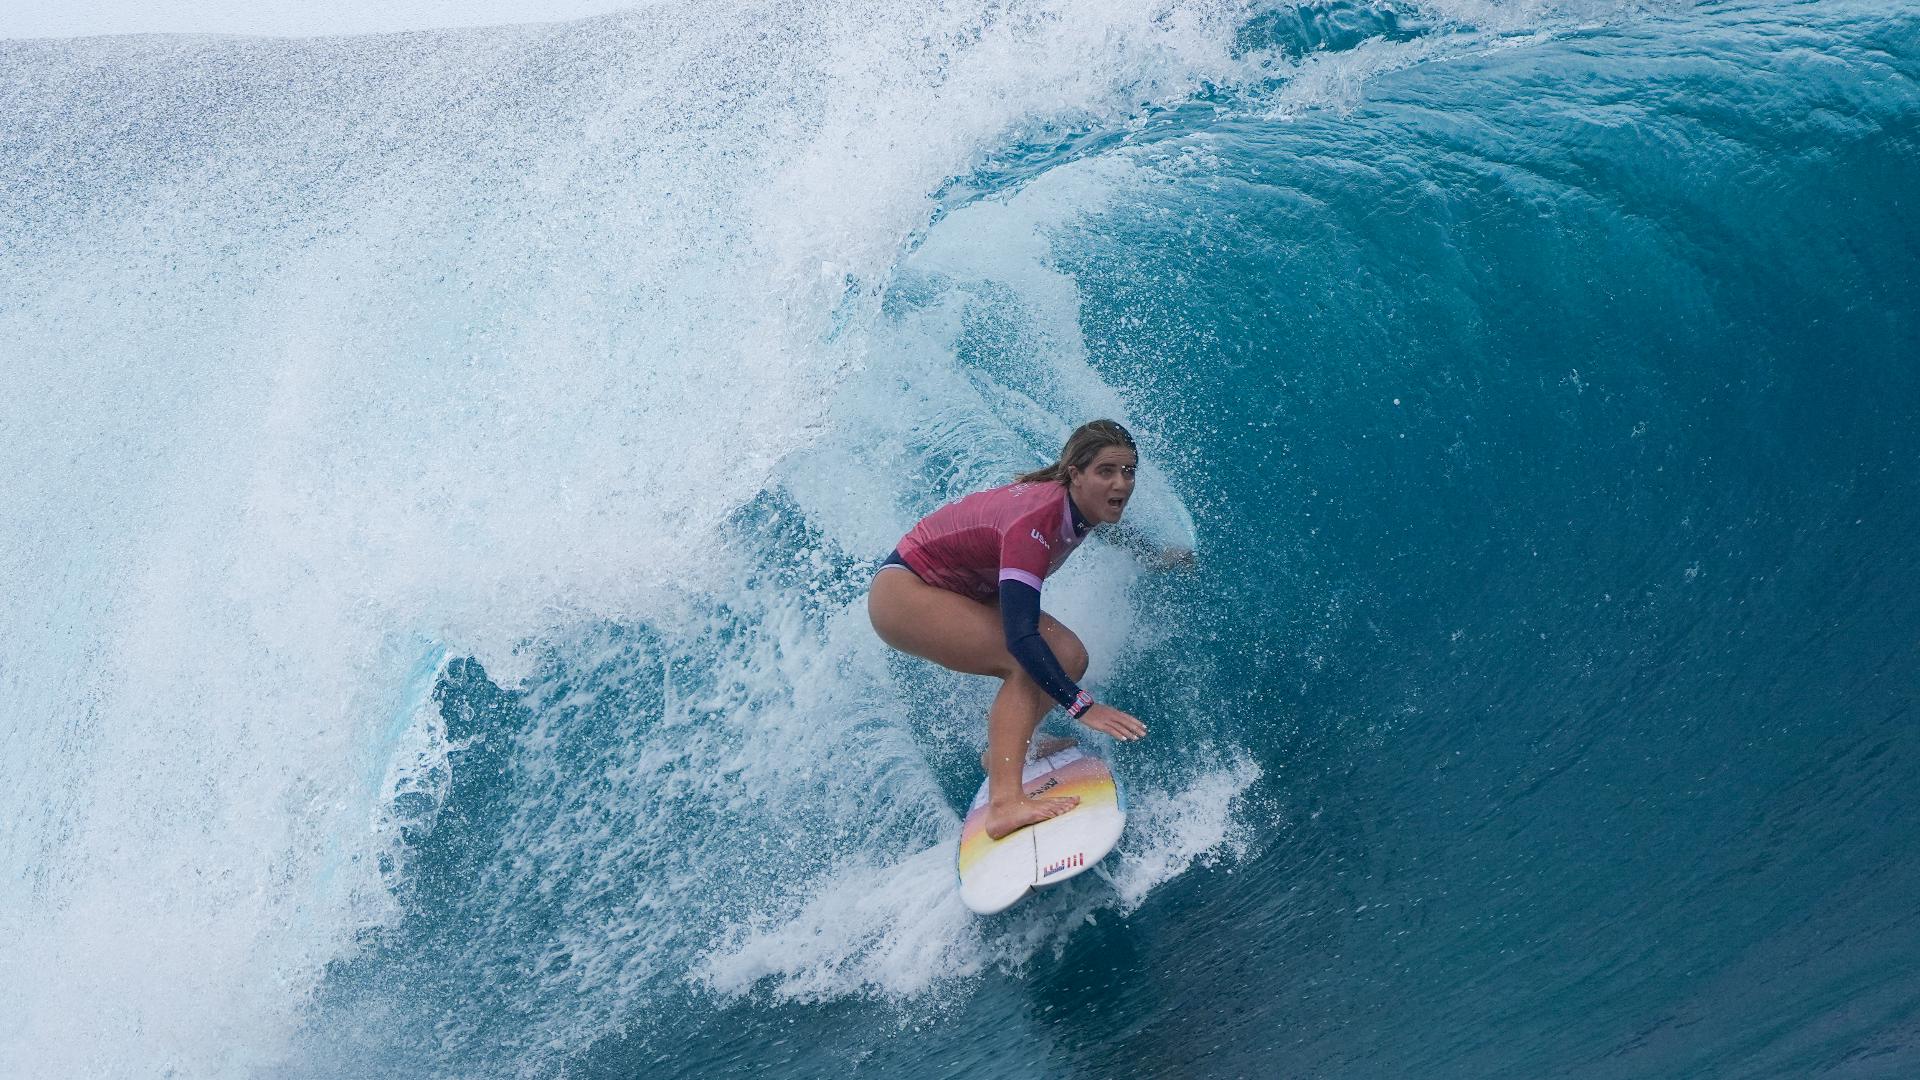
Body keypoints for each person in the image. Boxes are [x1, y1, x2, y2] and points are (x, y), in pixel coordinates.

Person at [867, 419, 1158, 841]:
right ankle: (1005, 804)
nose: (1121, 484)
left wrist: (1154, 555)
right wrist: (1083, 707)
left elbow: (1108, 525)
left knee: (1070, 656)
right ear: (1074, 474)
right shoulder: (1036, 523)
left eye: (1129, 471)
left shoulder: (1079, 503)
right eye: (1107, 471)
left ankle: (1005, 754)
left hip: (960, 588)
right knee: (1025, 660)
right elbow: (1022, 637)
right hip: (906, 593)